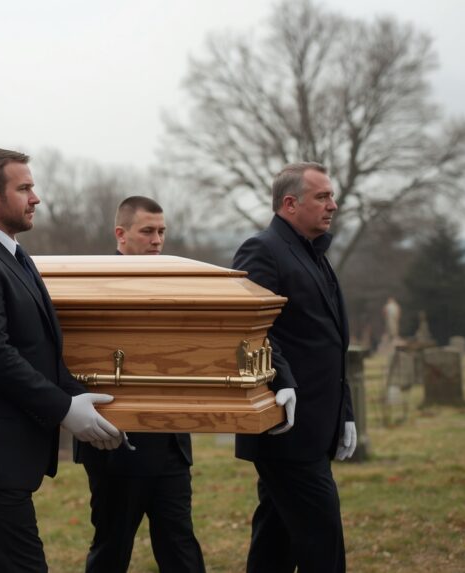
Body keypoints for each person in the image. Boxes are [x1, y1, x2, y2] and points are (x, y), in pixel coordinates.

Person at [0, 148, 123, 572]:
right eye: (25, 188)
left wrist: (75, 394)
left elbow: (38, 351)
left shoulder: (11, 255)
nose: (36, 198)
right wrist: (64, 408)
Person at [231, 162, 356, 572]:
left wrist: (346, 413)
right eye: (322, 197)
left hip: (314, 423)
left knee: (276, 539)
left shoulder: (313, 253)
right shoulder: (263, 249)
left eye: (331, 196)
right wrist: (282, 379)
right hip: (285, 427)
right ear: (290, 203)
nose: (333, 205)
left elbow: (329, 344)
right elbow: (251, 327)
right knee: (323, 542)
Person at [73, 196, 205, 572]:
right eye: (147, 231)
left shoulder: (176, 278)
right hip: (114, 443)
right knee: (112, 547)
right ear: (121, 234)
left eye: (162, 231)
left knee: (181, 546)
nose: (157, 240)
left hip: (171, 443)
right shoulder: (94, 284)